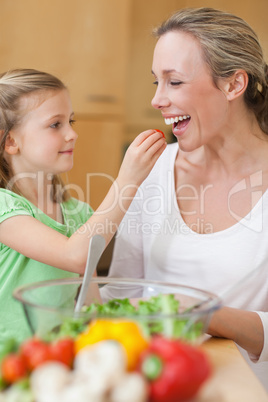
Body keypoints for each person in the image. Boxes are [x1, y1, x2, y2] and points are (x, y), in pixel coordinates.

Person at [104, 7, 268, 389]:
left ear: (233, 85)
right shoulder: (154, 167)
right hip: (154, 385)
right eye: (156, 82)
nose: (157, 100)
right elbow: (122, 292)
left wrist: (204, 314)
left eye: (174, 82)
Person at [0, 68, 166, 348]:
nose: (72, 134)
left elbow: (91, 308)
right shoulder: (5, 207)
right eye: (56, 124)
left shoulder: (79, 213)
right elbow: (75, 256)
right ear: (11, 141)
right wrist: (127, 180)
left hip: (55, 365)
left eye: (70, 121)